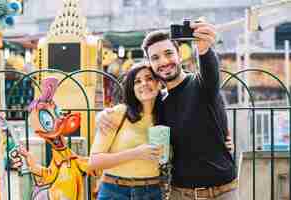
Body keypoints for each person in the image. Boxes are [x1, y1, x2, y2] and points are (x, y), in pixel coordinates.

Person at [98, 20, 238, 200]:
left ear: (179, 54)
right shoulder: (159, 103)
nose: (163, 61)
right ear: (149, 63)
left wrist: (203, 49)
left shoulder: (202, 83)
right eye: (155, 58)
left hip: (223, 192)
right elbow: (132, 112)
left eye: (168, 53)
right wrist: (102, 115)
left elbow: (210, 69)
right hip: (180, 193)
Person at [88, 62, 164, 200]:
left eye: (149, 78)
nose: (144, 84)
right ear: (132, 88)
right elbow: (94, 161)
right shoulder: (118, 113)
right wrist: (136, 153)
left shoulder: (166, 115)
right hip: (115, 192)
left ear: (159, 83)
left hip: (153, 192)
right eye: (137, 81)